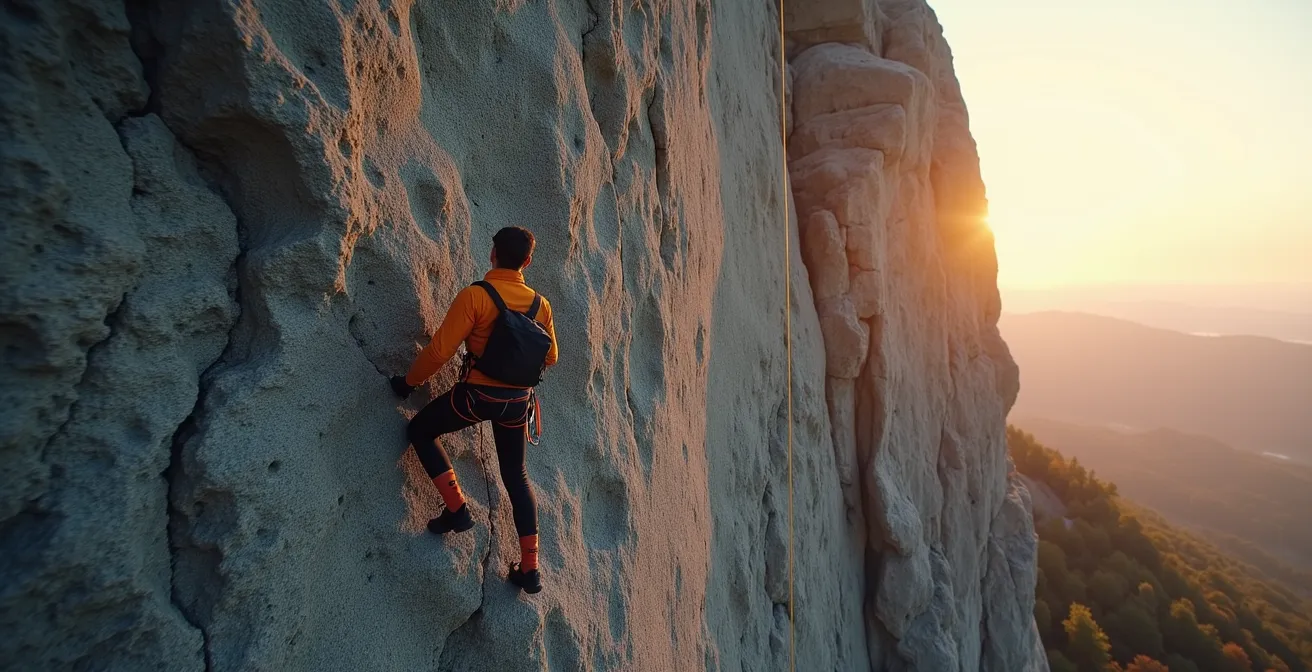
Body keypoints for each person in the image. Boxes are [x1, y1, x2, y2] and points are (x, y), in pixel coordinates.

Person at [390, 226, 558, 594]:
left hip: (476, 397)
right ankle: (530, 569)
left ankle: (457, 509)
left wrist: (408, 383)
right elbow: (552, 356)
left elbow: (439, 351)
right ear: (527, 262)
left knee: (420, 431)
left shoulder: (476, 296)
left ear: (492, 253)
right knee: (517, 477)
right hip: (517, 404)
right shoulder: (540, 305)